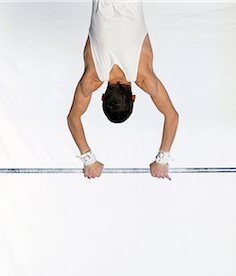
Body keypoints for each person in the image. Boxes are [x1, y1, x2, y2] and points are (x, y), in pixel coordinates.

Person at [67, 0, 179, 180]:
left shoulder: (144, 77)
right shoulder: (92, 77)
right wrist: (88, 159)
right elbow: (73, 118)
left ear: (133, 97)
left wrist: (162, 158)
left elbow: (172, 116)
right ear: (102, 97)